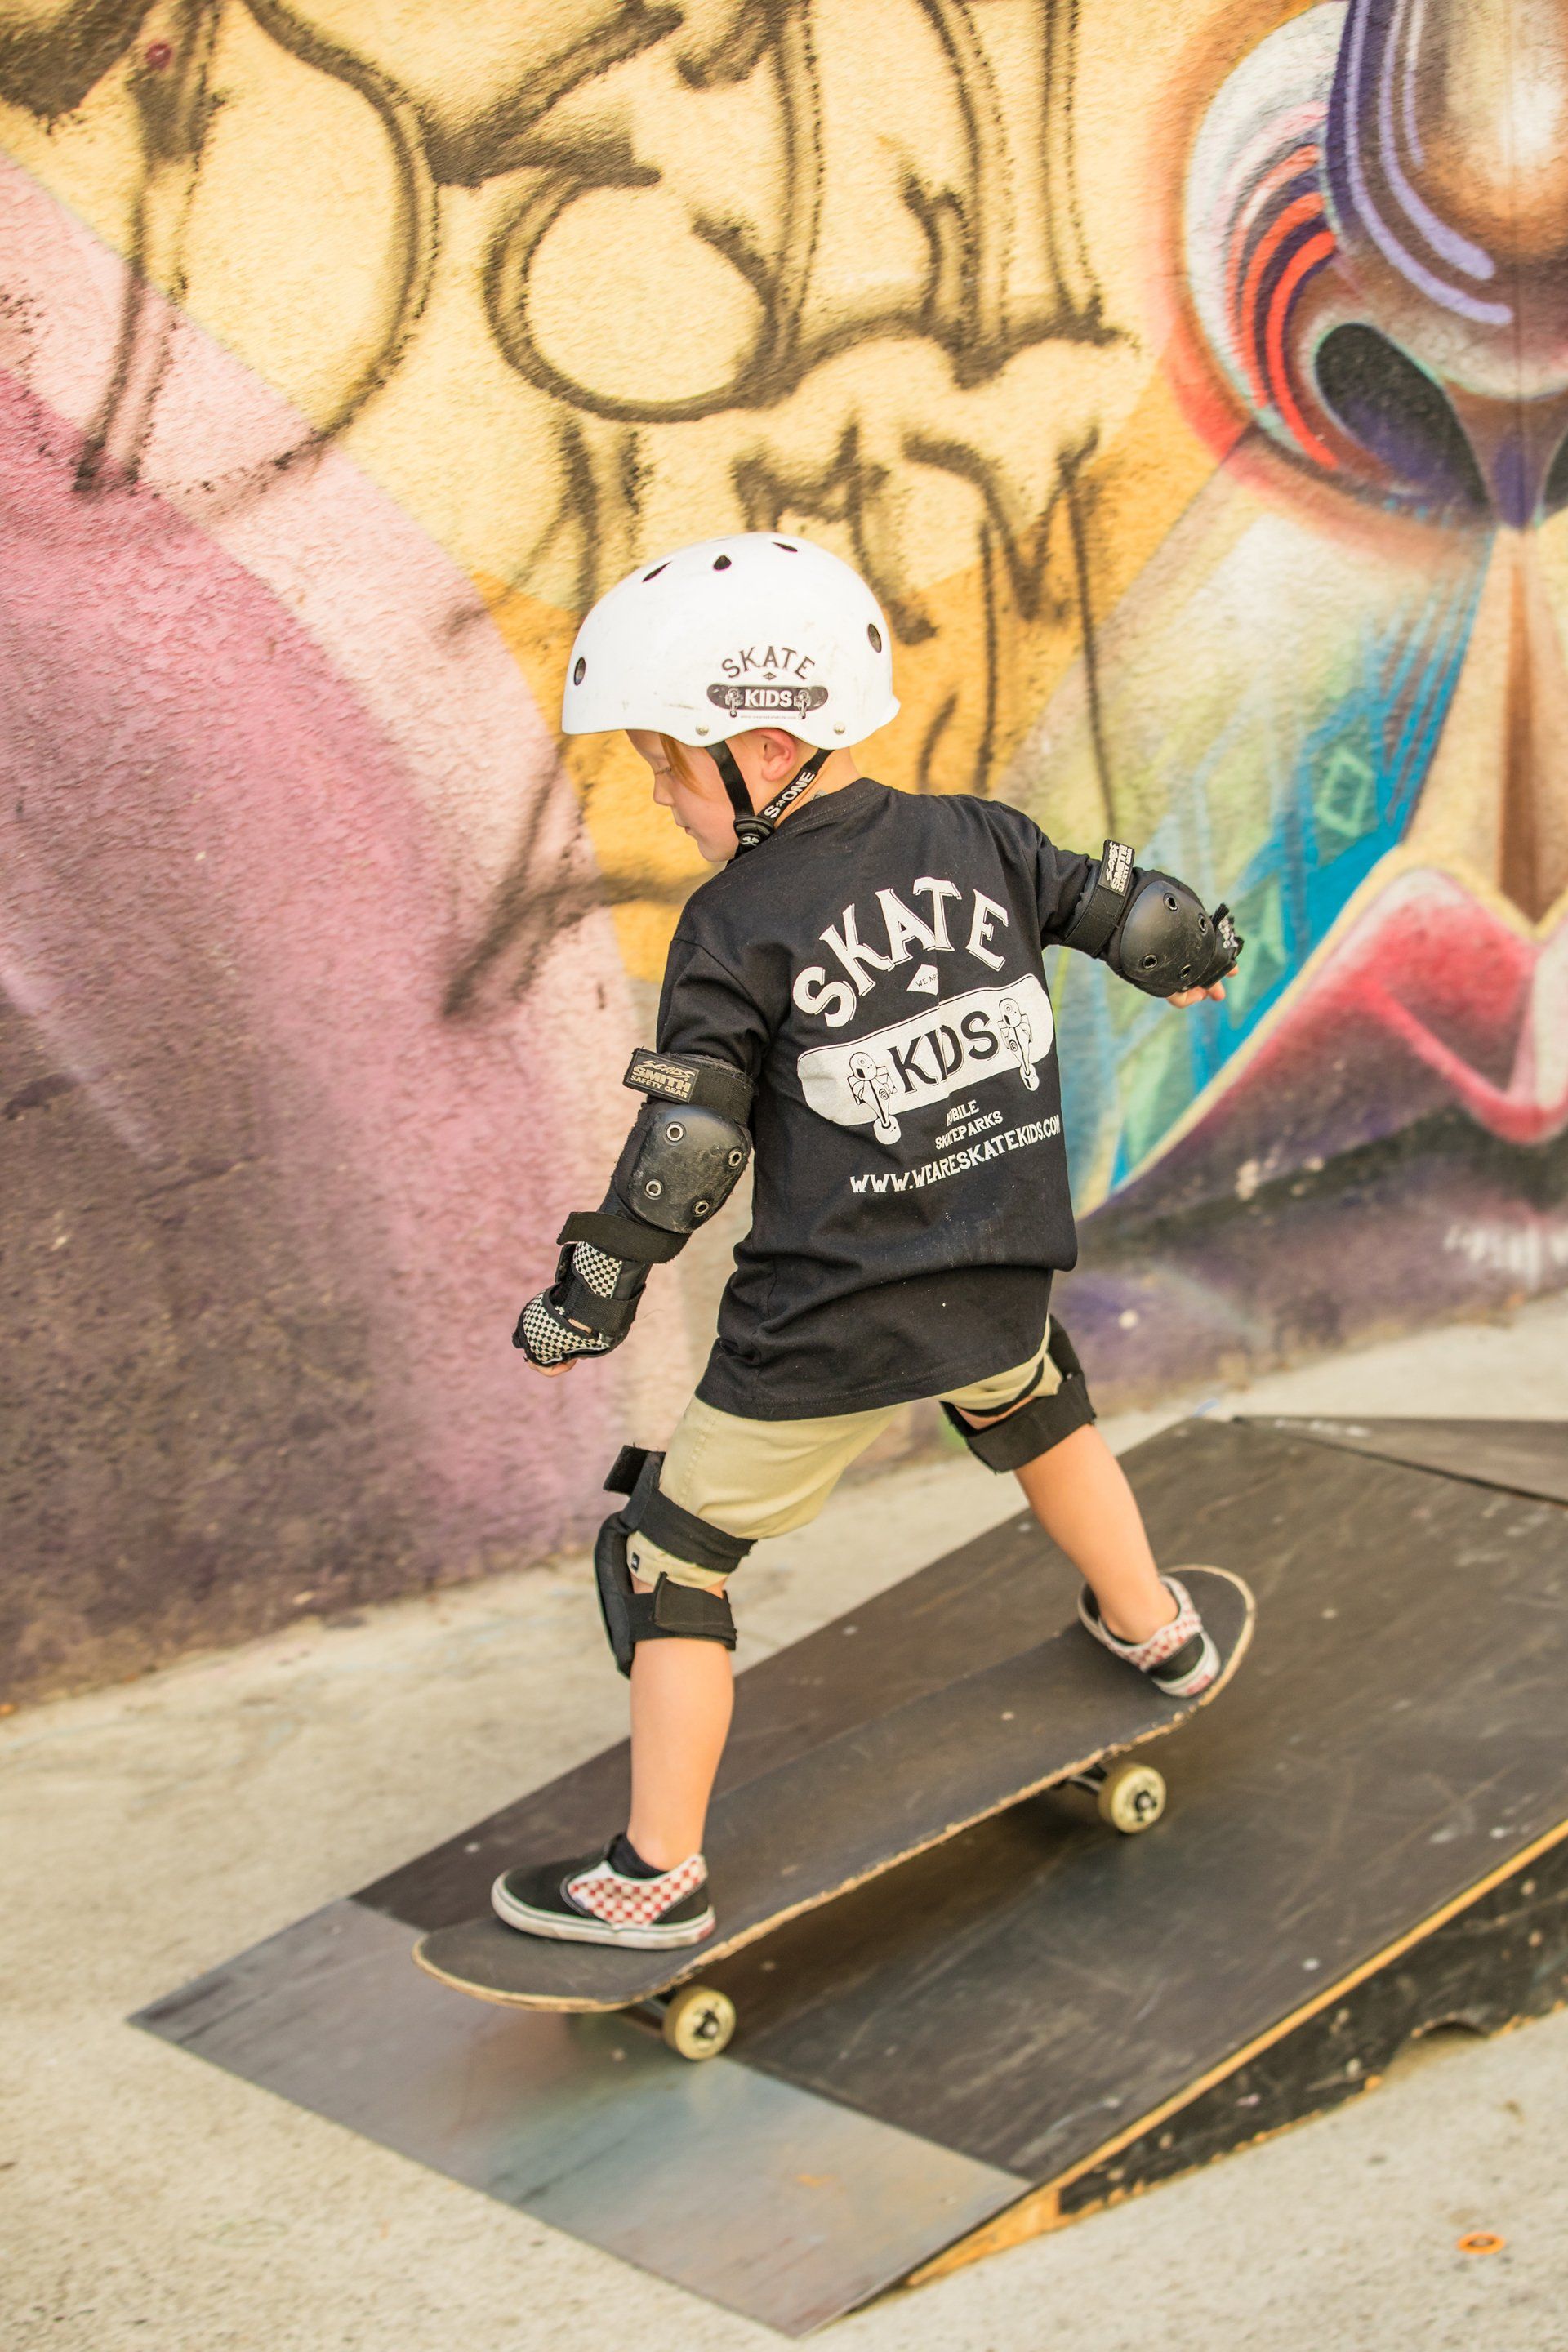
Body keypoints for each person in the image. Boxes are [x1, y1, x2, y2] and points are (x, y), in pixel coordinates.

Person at [497, 533, 1241, 1953]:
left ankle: (653, 1876)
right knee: (1036, 1402)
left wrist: (591, 1291)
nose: (656, 792)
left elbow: (690, 1150)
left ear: (764, 746)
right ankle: (1156, 1630)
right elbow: (1127, 913)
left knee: (670, 1556)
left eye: (667, 758)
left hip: (823, 1331)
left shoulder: (735, 922)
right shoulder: (984, 835)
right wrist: (1198, 957)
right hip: (1001, 1275)